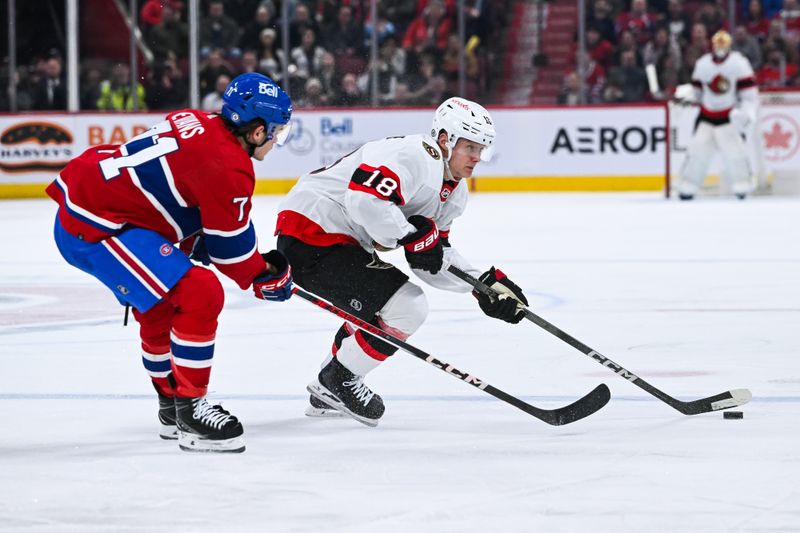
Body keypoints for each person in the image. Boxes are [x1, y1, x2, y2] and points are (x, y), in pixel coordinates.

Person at [45, 73, 294, 453]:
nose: (277, 140)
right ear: (257, 131)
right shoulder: (230, 166)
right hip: (96, 227)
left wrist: (199, 241)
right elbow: (231, 252)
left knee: (163, 304)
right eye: (276, 132)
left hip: (101, 206)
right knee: (201, 292)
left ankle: (172, 405)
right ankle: (191, 411)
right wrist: (263, 273)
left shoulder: (198, 119)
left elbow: (173, 193)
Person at [274, 97, 529, 427]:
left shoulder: (454, 192)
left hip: (337, 240)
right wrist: (409, 235)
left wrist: (483, 285)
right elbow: (364, 199)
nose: (477, 158)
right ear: (444, 140)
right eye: (470, 147)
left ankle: (330, 384)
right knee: (408, 306)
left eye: (482, 149)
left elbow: (432, 258)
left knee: (381, 308)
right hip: (312, 231)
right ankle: (336, 380)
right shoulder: (415, 156)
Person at [675, 30, 759, 200]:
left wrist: (746, 112)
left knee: (736, 153)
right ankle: (687, 187)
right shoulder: (703, 64)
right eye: (717, 45)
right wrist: (685, 96)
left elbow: (749, 94)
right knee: (697, 152)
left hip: (729, 117)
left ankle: (742, 186)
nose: (720, 49)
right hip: (707, 116)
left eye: (724, 45)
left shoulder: (739, 64)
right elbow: (697, 91)